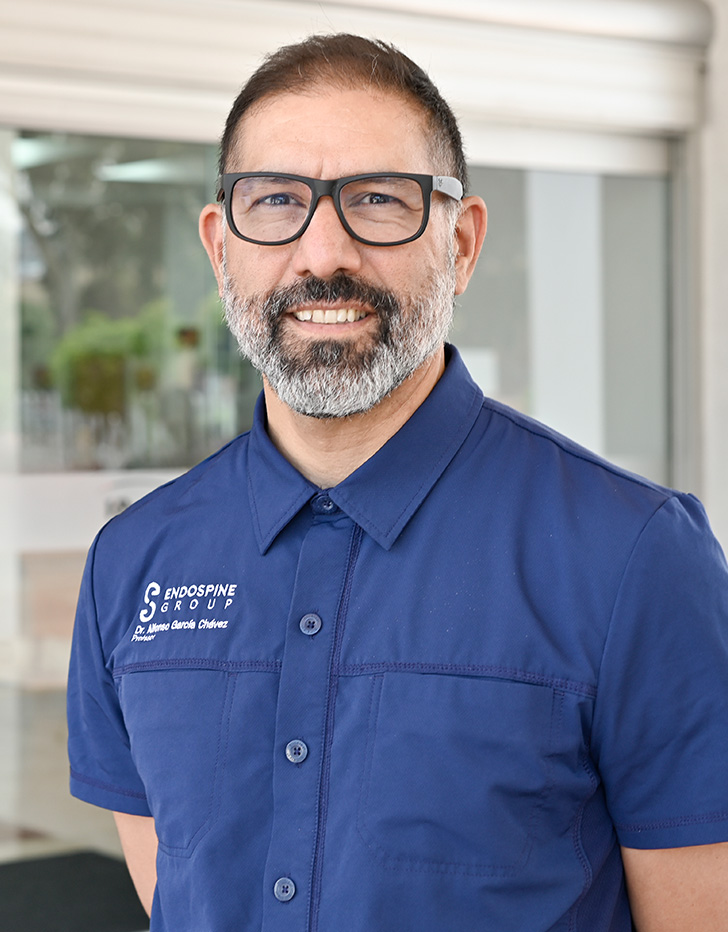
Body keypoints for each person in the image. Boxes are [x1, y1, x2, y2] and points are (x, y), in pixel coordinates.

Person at [67, 33, 728, 932]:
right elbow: (177, 893)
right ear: (222, 247)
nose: (322, 251)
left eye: (379, 199)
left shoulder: (635, 556)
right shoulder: (131, 561)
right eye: (277, 202)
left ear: (459, 242)